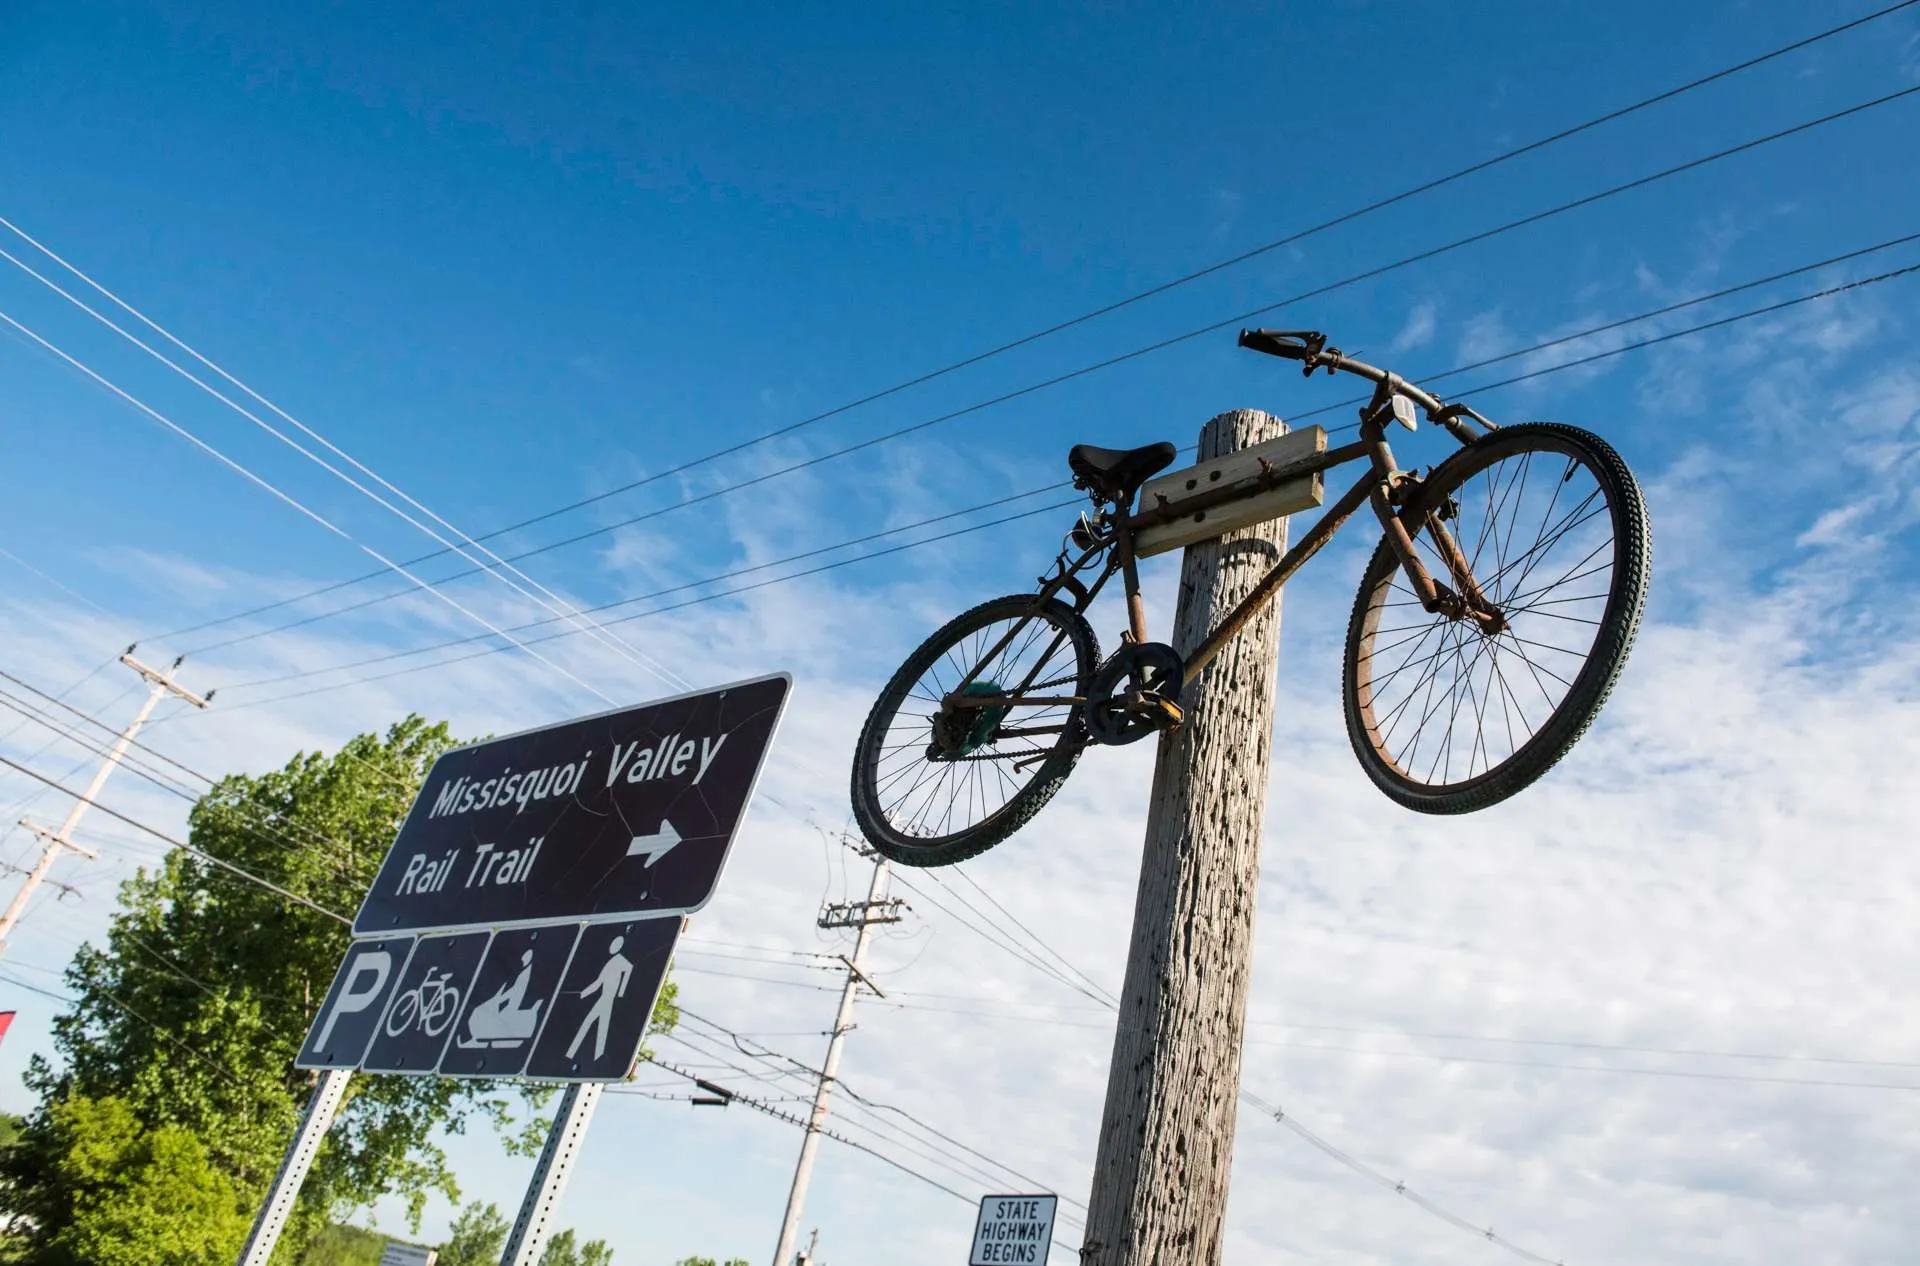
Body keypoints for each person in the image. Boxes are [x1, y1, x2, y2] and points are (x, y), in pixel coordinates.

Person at [567, 935, 633, 1062]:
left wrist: (621, 992)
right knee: (598, 1025)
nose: (611, 947)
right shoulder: (609, 964)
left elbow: (629, 968)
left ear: (619, 946)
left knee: (594, 1024)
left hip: (609, 998)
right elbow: (598, 983)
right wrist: (583, 994)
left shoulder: (619, 960)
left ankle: (578, 1054)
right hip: (603, 997)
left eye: (614, 945)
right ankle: (591, 1056)